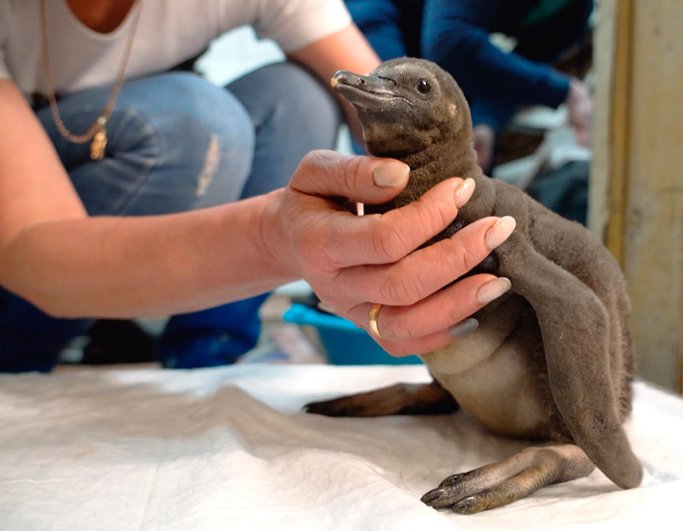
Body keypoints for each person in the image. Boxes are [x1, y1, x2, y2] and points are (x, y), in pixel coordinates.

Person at [0, 0, 515, 372]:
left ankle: (206, 354)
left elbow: (372, 84)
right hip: (29, 246)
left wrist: (442, 191)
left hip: (123, 152)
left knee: (299, 99)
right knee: (197, 127)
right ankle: (23, 349)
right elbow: (27, 243)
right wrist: (277, 241)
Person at [345, 0, 594, 171]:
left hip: (432, 32)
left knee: (467, 161)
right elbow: (448, 42)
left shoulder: (574, 10)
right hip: (381, 14)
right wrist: (564, 91)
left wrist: (487, 121)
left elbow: (520, 68)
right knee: (395, 136)